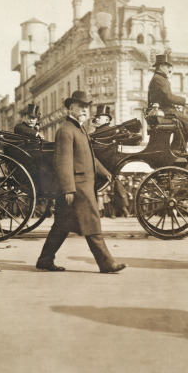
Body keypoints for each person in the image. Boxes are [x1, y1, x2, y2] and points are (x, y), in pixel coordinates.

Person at [36, 90, 126, 273]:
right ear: (70, 108)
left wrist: (105, 173)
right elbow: (63, 161)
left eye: (87, 107)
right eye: (81, 106)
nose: (85, 110)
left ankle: (45, 260)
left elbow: (90, 157)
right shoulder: (65, 131)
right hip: (77, 186)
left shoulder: (81, 129)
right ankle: (106, 263)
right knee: (91, 223)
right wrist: (68, 188)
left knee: (61, 226)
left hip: (83, 184)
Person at [147, 54, 188, 147]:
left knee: (184, 122)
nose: (169, 70)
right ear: (161, 66)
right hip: (164, 110)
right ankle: (177, 148)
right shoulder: (158, 79)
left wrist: (180, 102)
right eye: (168, 67)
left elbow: (166, 97)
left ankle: (178, 147)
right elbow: (169, 97)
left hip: (164, 109)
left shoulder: (159, 78)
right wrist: (185, 100)